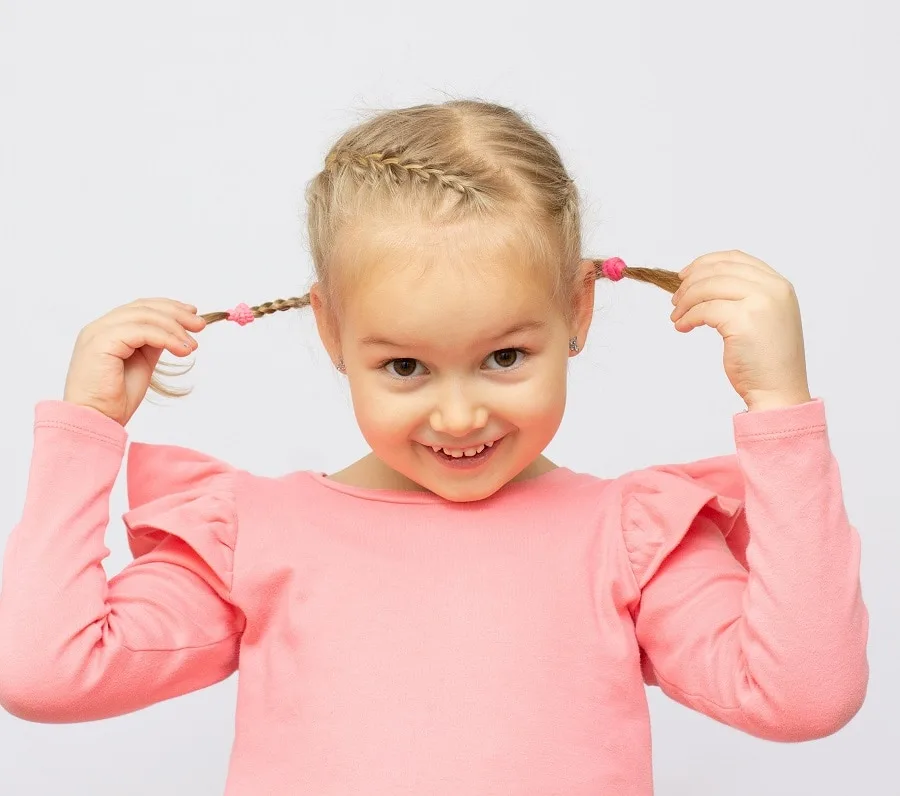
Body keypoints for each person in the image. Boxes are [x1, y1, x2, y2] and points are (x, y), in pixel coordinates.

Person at [0, 100, 868, 795]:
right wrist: (88, 430)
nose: (459, 417)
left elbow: (800, 698)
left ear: (579, 312)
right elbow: (46, 675)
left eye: (503, 357)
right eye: (406, 365)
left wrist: (780, 411)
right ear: (334, 333)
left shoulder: (635, 538)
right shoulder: (252, 534)